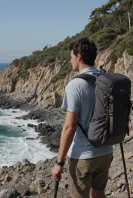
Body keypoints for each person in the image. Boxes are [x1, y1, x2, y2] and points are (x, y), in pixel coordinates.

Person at [52, 37, 113, 198]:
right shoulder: (105, 79)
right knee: (99, 193)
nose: (70, 60)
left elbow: (69, 127)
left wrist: (59, 162)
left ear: (79, 57)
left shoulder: (75, 85)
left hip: (83, 156)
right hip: (106, 151)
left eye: (71, 57)